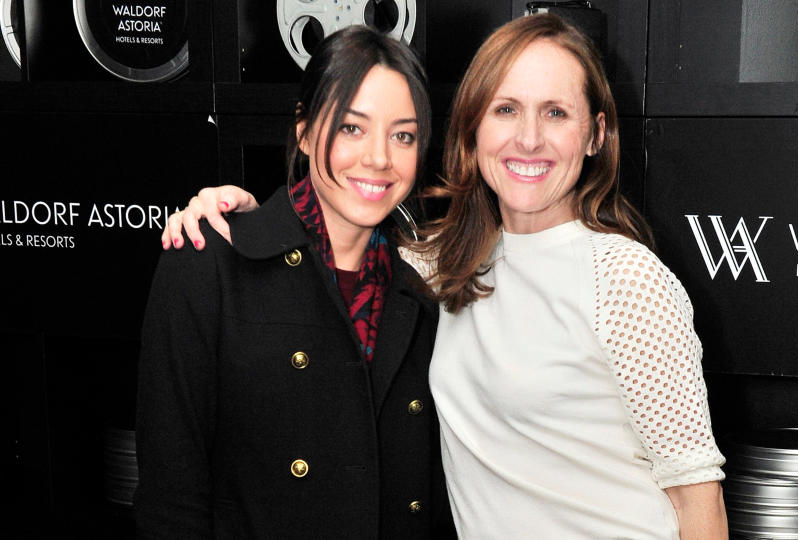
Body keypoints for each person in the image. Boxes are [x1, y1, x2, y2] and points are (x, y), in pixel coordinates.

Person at [163, 14, 728, 539]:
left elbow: (698, 498)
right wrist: (232, 214)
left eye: (556, 112)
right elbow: (337, 242)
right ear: (473, 128)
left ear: (595, 134)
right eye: (506, 109)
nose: (528, 138)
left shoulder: (627, 279)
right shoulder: (440, 266)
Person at [136, 25, 454, 539]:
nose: (379, 157)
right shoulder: (209, 263)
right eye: (352, 127)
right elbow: (170, 494)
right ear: (304, 130)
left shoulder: (422, 291)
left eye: (404, 135)